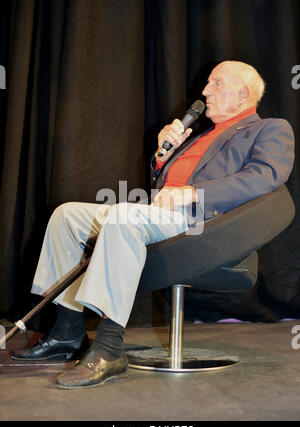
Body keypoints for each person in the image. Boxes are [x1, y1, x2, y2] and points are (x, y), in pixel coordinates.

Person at [11, 61, 294, 389]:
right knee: (67, 215)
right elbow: (162, 188)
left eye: (216, 84)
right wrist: (163, 157)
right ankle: (67, 331)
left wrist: (192, 193)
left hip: (204, 224)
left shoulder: (270, 128)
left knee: (121, 216)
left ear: (243, 93)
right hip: (162, 215)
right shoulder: (199, 136)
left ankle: (109, 346)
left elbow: (266, 176)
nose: (204, 92)